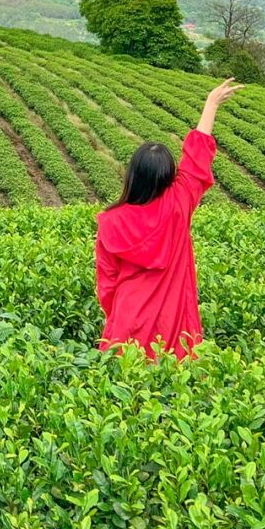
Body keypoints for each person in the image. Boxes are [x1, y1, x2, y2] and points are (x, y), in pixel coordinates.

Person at [95, 78, 242, 359]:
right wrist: (210, 105)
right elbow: (196, 161)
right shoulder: (178, 204)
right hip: (171, 317)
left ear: (133, 175)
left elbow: (107, 283)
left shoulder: (111, 222)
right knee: (175, 385)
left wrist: (118, 316)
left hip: (128, 317)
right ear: (168, 177)